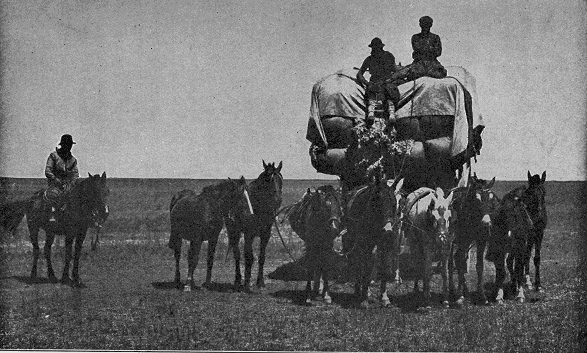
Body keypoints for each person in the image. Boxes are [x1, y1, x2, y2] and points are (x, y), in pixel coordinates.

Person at [356, 37, 400, 129]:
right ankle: (371, 112)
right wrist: (367, 83)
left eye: (377, 47)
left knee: (390, 90)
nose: (375, 50)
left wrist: (392, 78)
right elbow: (360, 73)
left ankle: (391, 113)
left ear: (381, 47)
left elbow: (396, 71)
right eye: (374, 48)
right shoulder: (369, 59)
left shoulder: (389, 56)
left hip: (387, 82)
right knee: (374, 91)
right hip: (376, 83)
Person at [45, 134, 79, 222]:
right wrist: (56, 180)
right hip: (55, 185)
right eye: (67, 144)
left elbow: (75, 174)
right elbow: (48, 170)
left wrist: (71, 183)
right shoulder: (54, 156)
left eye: (70, 145)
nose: (69, 147)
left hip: (68, 185)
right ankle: (52, 215)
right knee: (54, 195)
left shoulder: (73, 160)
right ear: (62, 145)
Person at [409, 16, 447, 80]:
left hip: (432, 63)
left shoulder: (435, 37)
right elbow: (417, 49)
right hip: (419, 63)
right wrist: (431, 50)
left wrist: (423, 50)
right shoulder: (415, 37)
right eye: (423, 23)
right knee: (410, 74)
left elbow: (438, 52)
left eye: (427, 24)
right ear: (420, 24)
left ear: (431, 25)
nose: (425, 26)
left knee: (442, 73)